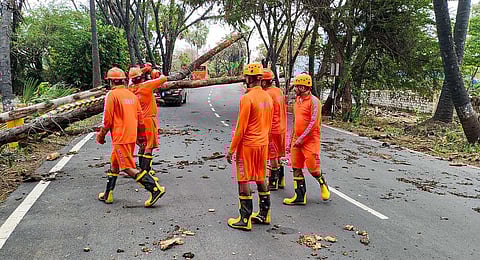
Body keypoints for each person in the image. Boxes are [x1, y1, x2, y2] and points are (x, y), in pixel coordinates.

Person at [97, 66, 165, 207]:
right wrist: (140, 137)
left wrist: (101, 135)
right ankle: (107, 194)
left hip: (120, 137)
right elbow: (140, 120)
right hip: (131, 136)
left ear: (110, 81)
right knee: (115, 163)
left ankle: (154, 188)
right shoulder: (131, 95)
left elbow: (107, 121)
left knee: (127, 167)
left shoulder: (112, 95)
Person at [226, 63, 273, 230]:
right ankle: (264, 213)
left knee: (243, 179)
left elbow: (241, 128)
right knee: (261, 177)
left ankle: (244, 219)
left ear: (249, 78)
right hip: (263, 144)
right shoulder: (268, 97)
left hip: (248, 145)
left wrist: (232, 149)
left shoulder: (247, 98)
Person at [283, 73, 330, 205]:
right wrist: (291, 140)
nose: (295, 89)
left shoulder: (315, 102)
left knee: (313, 168)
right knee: (296, 167)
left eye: (297, 86)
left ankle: (322, 182)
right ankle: (300, 196)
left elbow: (314, 123)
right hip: (296, 140)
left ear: (304, 87)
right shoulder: (297, 101)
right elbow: (295, 122)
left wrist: (302, 139)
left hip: (310, 140)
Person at [128, 66, 168, 176]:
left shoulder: (130, 88)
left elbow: (132, 79)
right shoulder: (146, 86)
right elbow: (163, 79)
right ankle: (146, 173)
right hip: (148, 119)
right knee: (149, 146)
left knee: (142, 145)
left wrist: (143, 70)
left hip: (136, 121)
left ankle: (142, 169)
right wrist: (155, 73)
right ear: (141, 77)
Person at [261, 69, 287, 191]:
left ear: (265, 82)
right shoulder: (278, 91)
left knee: (272, 156)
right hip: (281, 127)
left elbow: (264, 112)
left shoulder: (267, 94)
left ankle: (273, 181)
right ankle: (281, 180)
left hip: (272, 129)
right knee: (277, 155)